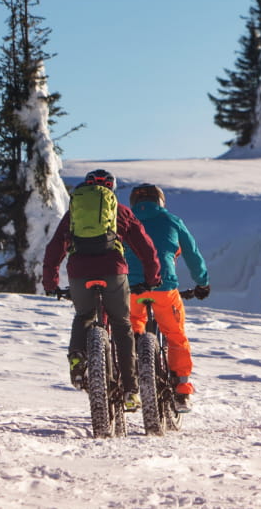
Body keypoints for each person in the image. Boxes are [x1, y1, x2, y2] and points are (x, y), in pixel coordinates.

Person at [42, 169, 162, 410]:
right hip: (113, 271)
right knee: (121, 324)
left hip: (80, 272)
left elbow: (55, 248)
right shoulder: (121, 211)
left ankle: (77, 356)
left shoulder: (73, 213)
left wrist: (51, 283)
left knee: (84, 316)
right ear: (111, 189)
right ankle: (130, 389)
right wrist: (153, 277)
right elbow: (146, 247)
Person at [124, 183, 210, 411]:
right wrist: (202, 283)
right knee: (175, 334)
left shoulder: (124, 220)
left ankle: (129, 386)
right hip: (164, 288)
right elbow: (191, 253)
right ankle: (182, 391)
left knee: (130, 332)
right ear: (160, 201)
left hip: (132, 289)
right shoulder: (172, 221)